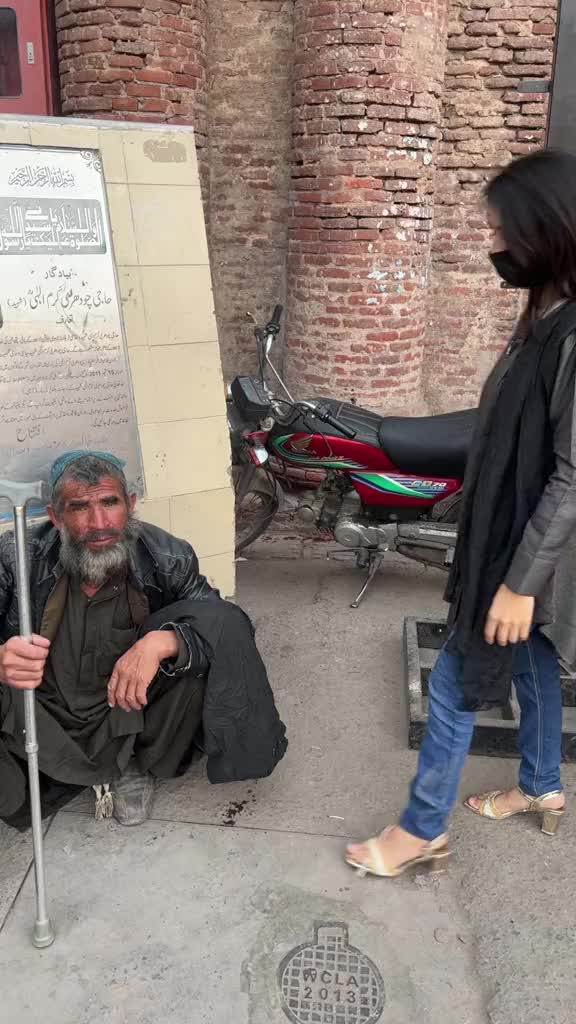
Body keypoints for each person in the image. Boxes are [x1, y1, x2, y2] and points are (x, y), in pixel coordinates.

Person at [346, 148, 576, 878]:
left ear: (546, 230)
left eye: (502, 230)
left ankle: (422, 829)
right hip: (516, 536)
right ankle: (541, 785)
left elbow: (572, 474)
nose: (493, 244)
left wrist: (519, 584)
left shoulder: (573, 334)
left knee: (452, 682)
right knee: (534, 661)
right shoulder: (542, 314)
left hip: (528, 549)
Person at [0, 451, 287, 828]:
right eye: (80, 507)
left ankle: (133, 763)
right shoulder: (17, 556)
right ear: (56, 517)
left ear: (131, 504)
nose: (99, 523)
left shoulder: (167, 556)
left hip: (130, 709)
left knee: (205, 656)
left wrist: (164, 642)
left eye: (110, 502)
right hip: (42, 710)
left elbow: (224, 625)